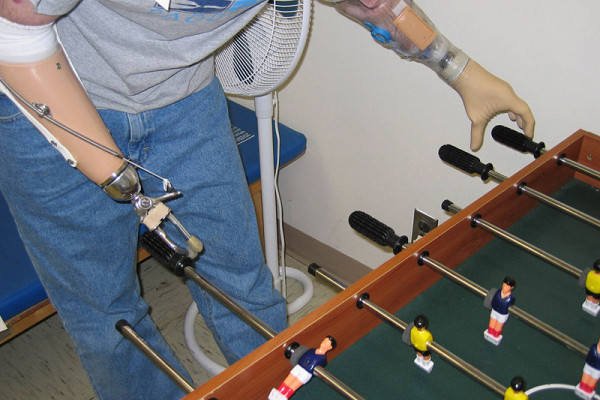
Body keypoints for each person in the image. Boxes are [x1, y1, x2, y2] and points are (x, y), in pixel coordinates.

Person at [0, 0, 534, 399]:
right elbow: (14, 29)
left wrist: (457, 68)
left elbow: (375, 4)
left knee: (245, 284)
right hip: (43, 106)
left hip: (185, 97)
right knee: (108, 322)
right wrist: (116, 177)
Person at [268, 336, 336, 399]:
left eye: (327, 343)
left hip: (306, 373)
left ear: (330, 347)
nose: (324, 343)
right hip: (299, 367)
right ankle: (274, 397)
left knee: (292, 387)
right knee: (285, 383)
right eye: (324, 341)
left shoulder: (323, 359)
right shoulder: (312, 350)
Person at [484, 276, 516, 345]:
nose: (505, 287)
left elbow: (511, 306)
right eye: (504, 285)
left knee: (498, 326)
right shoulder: (498, 292)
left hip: (502, 314)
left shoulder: (511, 298)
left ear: (511, 288)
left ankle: (495, 336)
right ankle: (489, 334)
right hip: (495, 310)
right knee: (492, 324)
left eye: (507, 286)